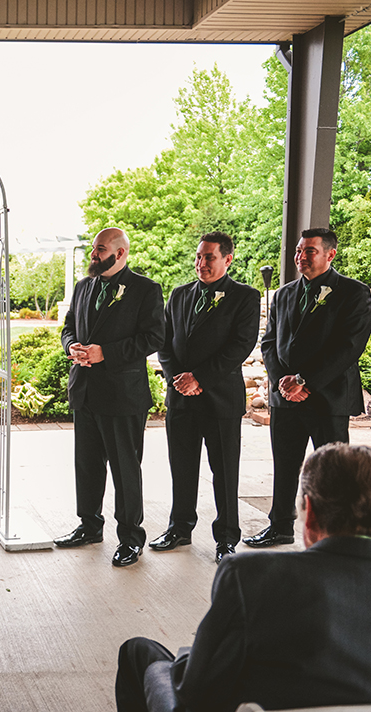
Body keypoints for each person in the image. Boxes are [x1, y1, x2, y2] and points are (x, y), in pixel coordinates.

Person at [116, 443, 371, 712]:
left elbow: (193, 692)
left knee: (139, 652)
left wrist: (190, 658)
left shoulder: (250, 575)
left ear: (311, 514)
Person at [244, 228, 371, 547]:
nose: (301, 257)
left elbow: (349, 346)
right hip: (286, 400)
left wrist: (304, 381)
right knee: (285, 465)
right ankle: (280, 526)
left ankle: (338, 535)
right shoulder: (285, 293)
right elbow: (270, 342)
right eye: (299, 251)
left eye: (309, 251)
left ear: (330, 254)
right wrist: (282, 382)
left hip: (328, 399)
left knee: (334, 472)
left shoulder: (353, 292)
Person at [55, 227, 165, 567]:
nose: (93, 255)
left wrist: (107, 353)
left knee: (125, 469)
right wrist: (71, 345)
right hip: (85, 391)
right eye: (93, 249)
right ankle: (89, 526)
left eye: (100, 249)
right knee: (86, 465)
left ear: (119, 254)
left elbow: (154, 338)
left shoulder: (146, 290)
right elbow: (69, 326)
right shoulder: (83, 286)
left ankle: (131, 538)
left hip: (123, 396)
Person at [151, 232, 261, 563]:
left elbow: (241, 345)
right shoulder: (180, 294)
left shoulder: (245, 296)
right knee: (181, 467)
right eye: (198, 257)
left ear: (227, 259)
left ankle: (227, 537)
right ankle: (180, 527)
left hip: (220, 398)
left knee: (224, 471)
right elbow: (164, 340)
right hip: (181, 398)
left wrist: (199, 378)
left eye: (209, 257)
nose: (201, 264)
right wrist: (176, 379)